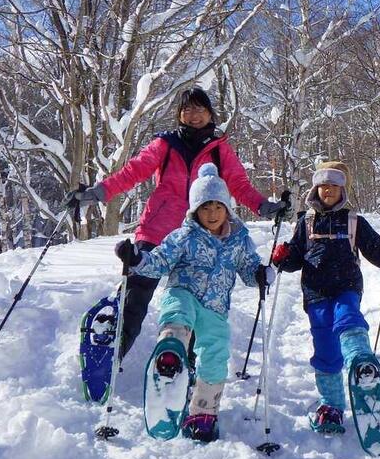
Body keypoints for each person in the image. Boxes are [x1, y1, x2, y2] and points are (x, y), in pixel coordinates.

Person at [66, 87, 288, 361]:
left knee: (195, 302)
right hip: (158, 229)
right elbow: (132, 172)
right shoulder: (165, 144)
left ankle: (186, 366)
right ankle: (112, 353)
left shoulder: (220, 151)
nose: (193, 115)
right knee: (136, 293)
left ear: (210, 114)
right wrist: (97, 193)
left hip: (199, 236)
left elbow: (239, 184)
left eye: (199, 109)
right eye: (187, 109)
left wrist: (264, 206)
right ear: (179, 114)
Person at [115, 163, 271, 442]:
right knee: (178, 315)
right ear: (194, 210)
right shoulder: (183, 236)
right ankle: (170, 357)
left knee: (216, 351)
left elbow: (248, 268)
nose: (211, 214)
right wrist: (137, 259)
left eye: (217, 207)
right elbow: (160, 262)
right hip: (184, 292)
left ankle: (203, 411)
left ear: (227, 208)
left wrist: (259, 274)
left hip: (215, 307)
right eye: (205, 208)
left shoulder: (239, 239)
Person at [270, 161, 380, 433]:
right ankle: (331, 405)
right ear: (315, 189)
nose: (328, 190)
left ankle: (361, 362)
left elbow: (377, 254)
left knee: (348, 317)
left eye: (334, 185)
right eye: (323, 185)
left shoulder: (355, 221)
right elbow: (295, 258)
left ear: (343, 189)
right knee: (326, 346)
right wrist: (282, 257)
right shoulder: (305, 222)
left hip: (347, 285)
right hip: (315, 292)